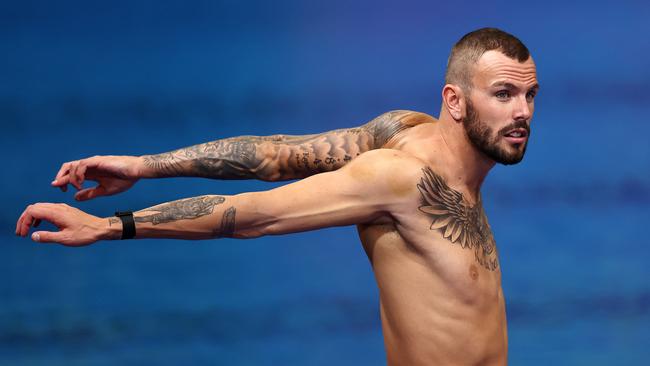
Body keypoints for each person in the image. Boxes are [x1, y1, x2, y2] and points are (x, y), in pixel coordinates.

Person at [15, 27, 539, 365]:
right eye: (503, 95)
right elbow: (254, 215)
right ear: (454, 100)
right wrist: (110, 226)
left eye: (528, 95)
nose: (522, 112)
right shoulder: (399, 177)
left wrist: (144, 165)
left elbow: (275, 154)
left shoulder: (408, 128)